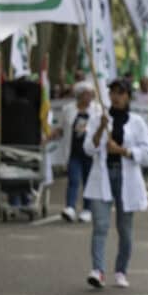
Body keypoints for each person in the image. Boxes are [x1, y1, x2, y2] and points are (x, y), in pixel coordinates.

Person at [83, 80, 148, 288]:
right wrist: (101, 129)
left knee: (125, 229)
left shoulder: (137, 121)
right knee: (100, 225)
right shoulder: (98, 118)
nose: (116, 97)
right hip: (102, 177)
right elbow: (88, 148)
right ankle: (98, 270)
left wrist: (124, 151)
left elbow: (147, 153)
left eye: (121, 93)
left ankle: (121, 270)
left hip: (126, 177)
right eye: (112, 92)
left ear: (128, 95)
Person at [51, 81, 99, 222]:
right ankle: (70, 207)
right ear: (79, 95)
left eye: (90, 94)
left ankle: (87, 209)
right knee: (73, 179)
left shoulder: (97, 110)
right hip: (74, 151)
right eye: (86, 94)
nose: (88, 97)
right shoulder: (68, 109)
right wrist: (50, 136)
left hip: (90, 152)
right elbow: (61, 128)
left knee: (88, 181)